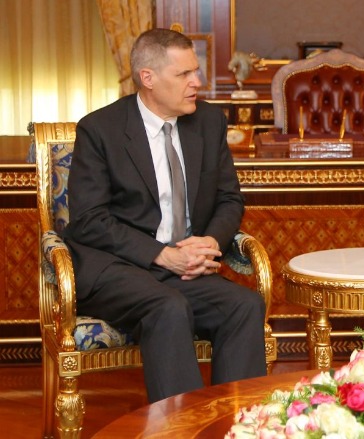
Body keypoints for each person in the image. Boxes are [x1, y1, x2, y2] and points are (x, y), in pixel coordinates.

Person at [63, 28, 266, 403]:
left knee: (244, 305)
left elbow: (229, 199)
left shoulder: (207, 122)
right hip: (118, 267)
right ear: (148, 78)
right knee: (168, 307)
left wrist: (211, 241)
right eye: (184, 74)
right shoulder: (100, 129)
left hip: (184, 266)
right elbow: (88, 219)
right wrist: (161, 254)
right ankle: (180, 428)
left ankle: (239, 422)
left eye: (196, 71)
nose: (197, 82)